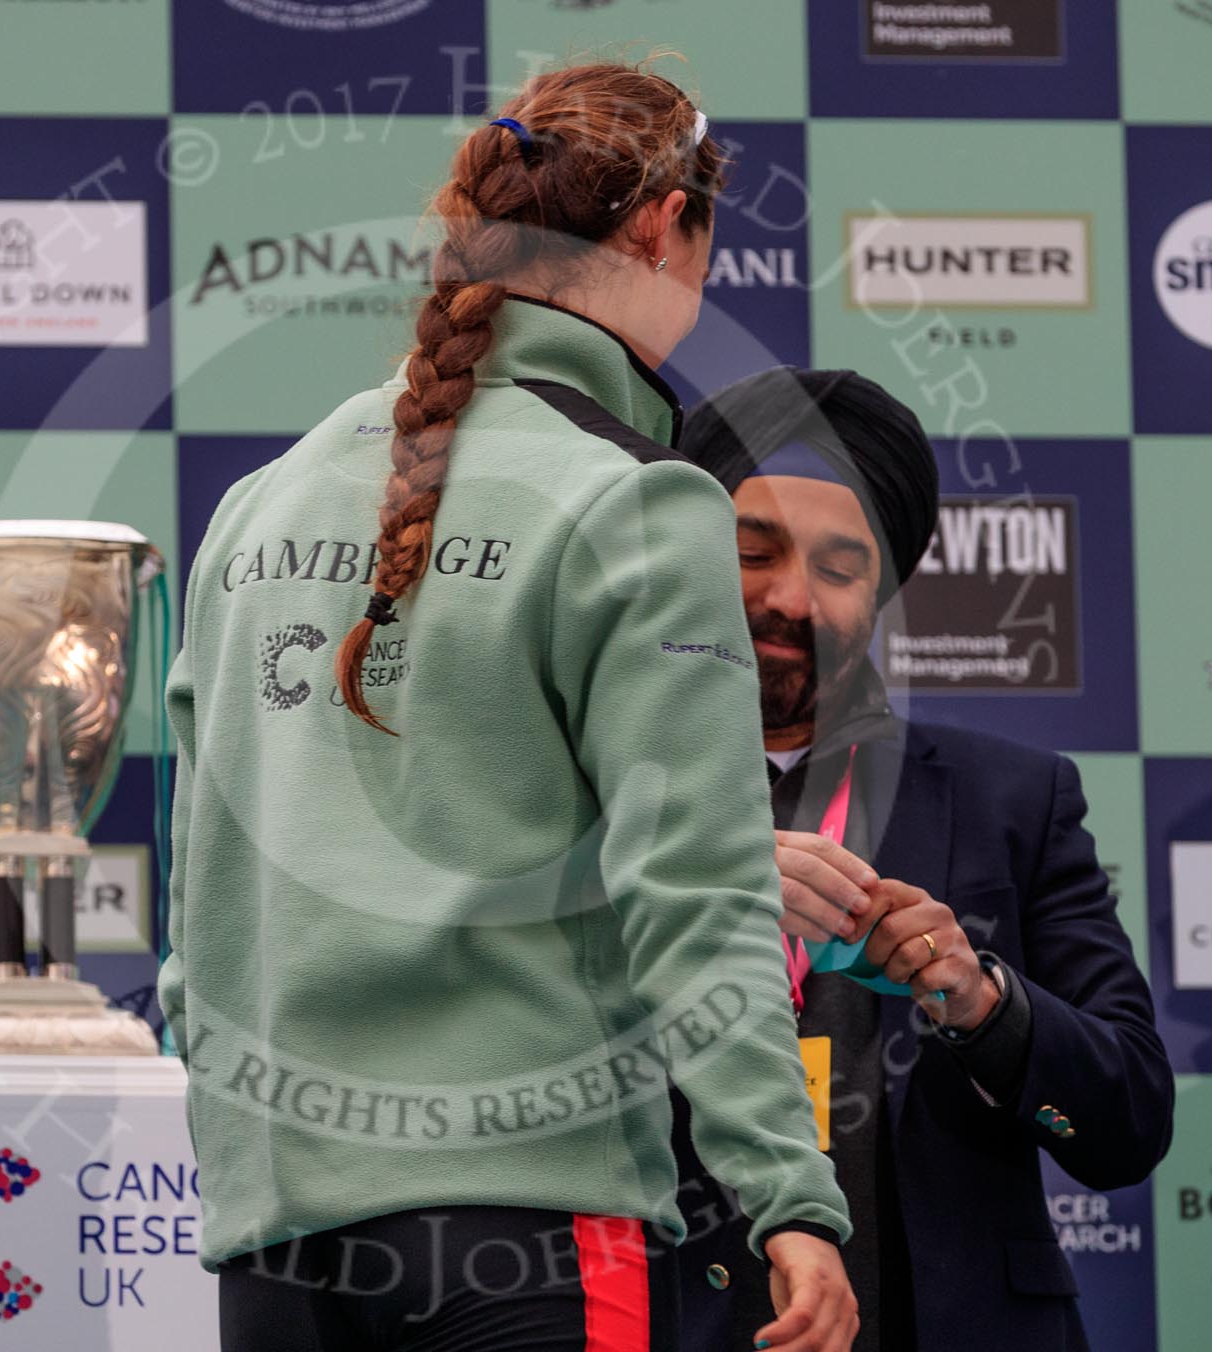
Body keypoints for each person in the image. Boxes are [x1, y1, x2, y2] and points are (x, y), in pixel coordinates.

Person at [159, 61, 859, 1352]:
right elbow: (700, 893)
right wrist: (790, 1195)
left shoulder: (257, 501)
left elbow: (195, 891)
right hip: (524, 1224)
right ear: (660, 227)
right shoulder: (641, 501)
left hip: (274, 1246)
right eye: (709, 242)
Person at [668, 368, 1174, 1351]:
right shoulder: (588, 804)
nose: (788, 596)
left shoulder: (1013, 799)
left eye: (840, 566)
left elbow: (1129, 1121)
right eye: (749, 551)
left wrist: (983, 1001)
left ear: (884, 590)